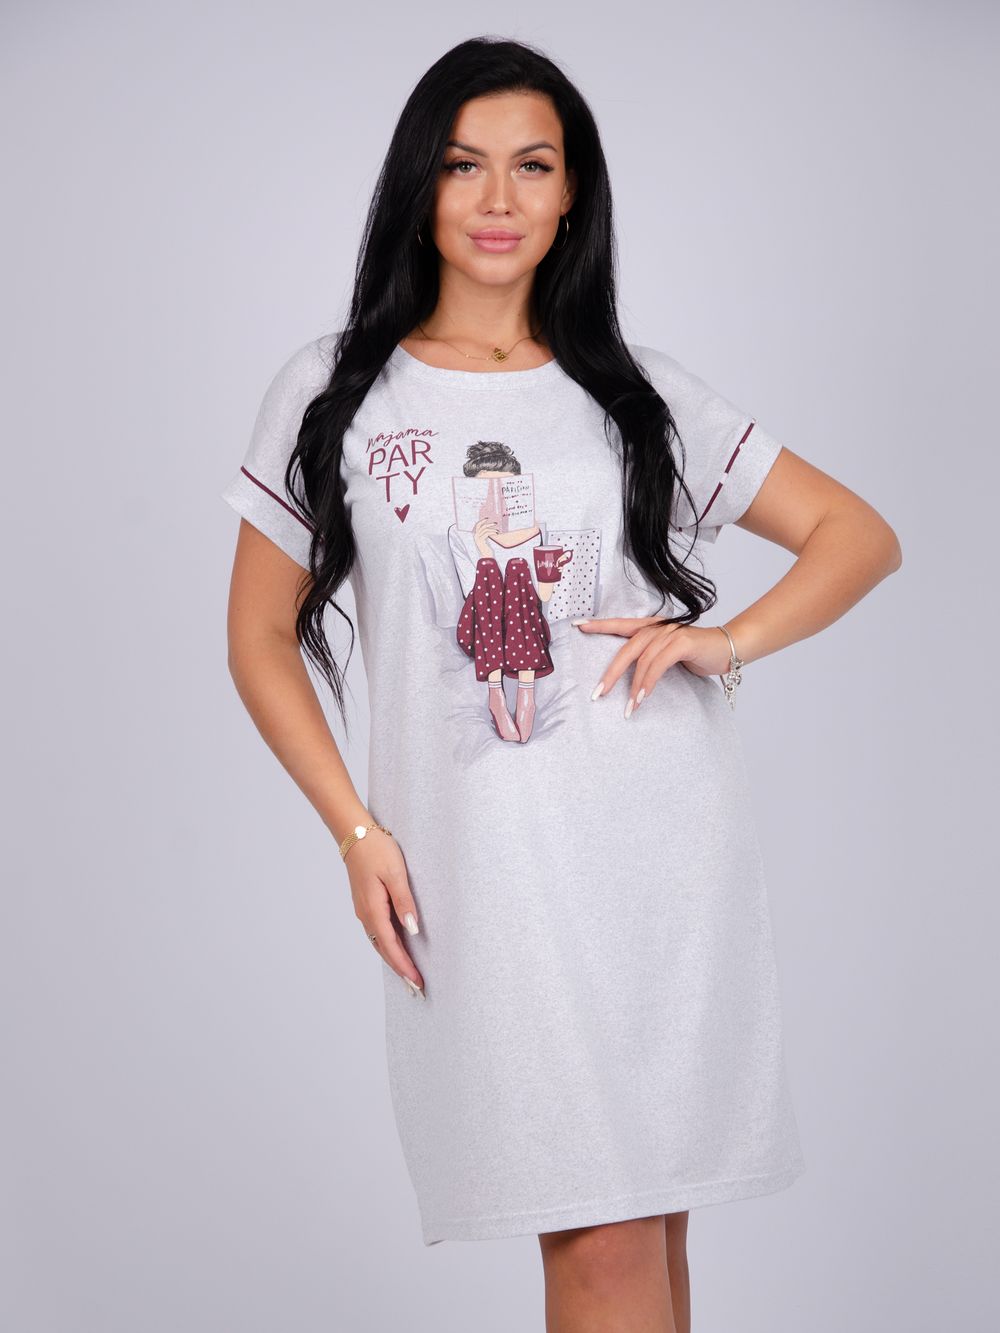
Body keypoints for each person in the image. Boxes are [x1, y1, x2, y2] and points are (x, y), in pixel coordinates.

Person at [221, 35, 902, 1333]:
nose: (498, 199)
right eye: (463, 165)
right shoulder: (338, 391)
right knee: (603, 1240)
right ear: (419, 184)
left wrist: (724, 639)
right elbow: (258, 635)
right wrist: (356, 832)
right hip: (487, 882)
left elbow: (857, 534)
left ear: (572, 191)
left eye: (532, 166)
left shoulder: (632, 394)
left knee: (645, 1239)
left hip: (656, 865)